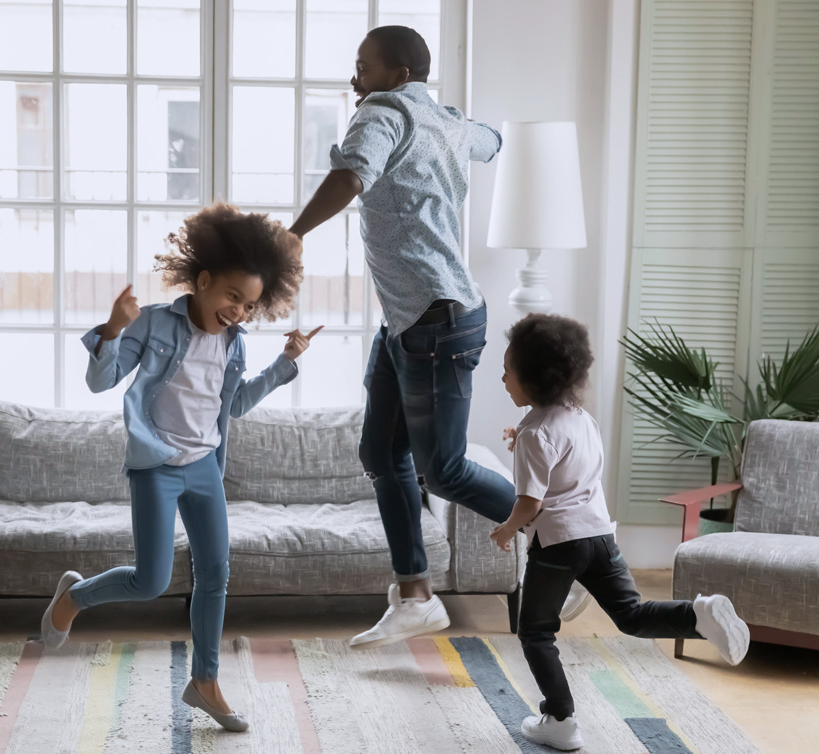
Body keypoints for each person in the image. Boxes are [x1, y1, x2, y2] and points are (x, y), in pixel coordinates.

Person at [40, 204, 317, 733]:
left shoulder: (234, 344)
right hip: (158, 467)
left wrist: (286, 364)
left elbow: (233, 405)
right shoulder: (155, 323)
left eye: (249, 305)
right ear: (205, 281)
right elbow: (102, 382)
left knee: (216, 575)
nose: (238, 311)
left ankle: (205, 680)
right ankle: (74, 597)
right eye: (232, 297)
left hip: (205, 467)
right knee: (150, 581)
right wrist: (115, 330)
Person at [290, 24, 513, 649]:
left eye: (363, 67)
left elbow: (352, 173)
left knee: (440, 471)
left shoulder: (382, 112)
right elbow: (491, 142)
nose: (354, 79)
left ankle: (562, 535)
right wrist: (479, 131)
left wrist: (295, 233)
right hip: (413, 320)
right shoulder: (440, 119)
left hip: (437, 321)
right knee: (380, 455)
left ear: (399, 76)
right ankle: (415, 594)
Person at [490, 314, 750, 751]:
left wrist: (506, 529)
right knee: (631, 615)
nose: (501, 378)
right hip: (599, 537)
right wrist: (525, 431)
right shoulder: (579, 418)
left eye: (507, 371)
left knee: (535, 632)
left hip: (557, 545)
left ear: (533, 379)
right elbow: (561, 449)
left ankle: (560, 719)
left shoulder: (536, 435)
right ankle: (697, 615)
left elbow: (531, 503)